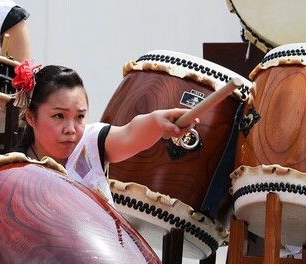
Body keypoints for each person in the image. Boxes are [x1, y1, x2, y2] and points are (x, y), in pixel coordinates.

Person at [11, 61, 199, 204]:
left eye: (80, 117)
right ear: (31, 117)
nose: (71, 129)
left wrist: (157, 121)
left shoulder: (91, 143)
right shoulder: (13, 171)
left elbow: (130, 134)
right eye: (59, 116)